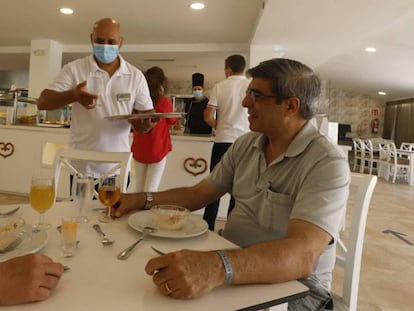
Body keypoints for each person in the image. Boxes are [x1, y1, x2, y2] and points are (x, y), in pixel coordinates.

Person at [113, 58, 350, 310]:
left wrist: (215, 267)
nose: (245, 102)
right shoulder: (247, 144)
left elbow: (302, 256)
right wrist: (139, 200)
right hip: (234, 266)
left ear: (290, 106)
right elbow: (197, 194)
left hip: (296, 288)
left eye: (256, 95)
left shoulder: (326, 162)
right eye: (248, 93)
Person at [37, 17, 155, 177]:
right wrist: (73, 95)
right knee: (80, 203)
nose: (105, 46)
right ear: (91, 39)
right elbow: (43, 102)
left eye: (111, 42)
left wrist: (144, 126)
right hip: (81, 166)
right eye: (100, 40)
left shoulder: (135, 76)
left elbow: (147, 115)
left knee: (115, 204)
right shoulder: (74, 69)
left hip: (118, 167)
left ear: (120, 42)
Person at [202, 54, 250, 230]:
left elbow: (207, 116)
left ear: (227, 69)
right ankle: (231, 230)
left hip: (222, 142)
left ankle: (208, 229)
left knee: (213, 189)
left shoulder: (220, 86)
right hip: (246, 144)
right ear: (244, 68)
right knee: (238, 191)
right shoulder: (250, 86)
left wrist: (219, 126)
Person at [131, 66, 177, 192]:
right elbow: (173, 121)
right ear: (162, 83)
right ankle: (145, 212)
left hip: (139, 149)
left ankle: (135, 211)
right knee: (151, 190)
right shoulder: (164, 101)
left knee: (138, 188)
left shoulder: (138, 100)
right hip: (157, 149)